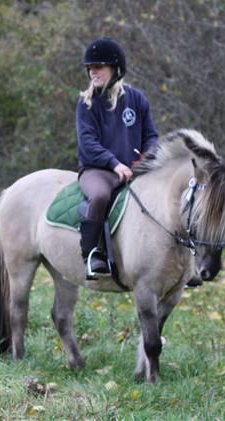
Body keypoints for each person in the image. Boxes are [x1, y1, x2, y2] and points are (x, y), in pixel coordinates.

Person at [76, 37, 159, 278]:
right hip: (97, 170)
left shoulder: (137, 99)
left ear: (115, 69)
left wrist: (147, 159)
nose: (93, 71)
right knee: (101, 196)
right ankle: (93, 255)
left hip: (135, 169)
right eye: (90, 68)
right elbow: (88, 143)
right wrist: (114, 164)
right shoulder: (86, 103)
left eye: (98, 66)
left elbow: (150, 136)